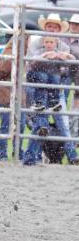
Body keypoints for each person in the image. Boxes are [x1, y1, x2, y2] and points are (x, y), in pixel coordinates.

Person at [23, 14, 79, 165]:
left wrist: (62, 60)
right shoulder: (35, 42)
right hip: (38, 87)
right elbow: (30, 65)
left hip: (54, 88)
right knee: (41, 122)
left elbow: (66, 71)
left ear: (59, 29)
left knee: (60, 124)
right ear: (45, 27)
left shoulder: (64, 47)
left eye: (55, 27)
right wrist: (45, 56)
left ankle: (72, 156)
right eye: (49, 26)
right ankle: (32, 157)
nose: (52, 29)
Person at [0, 35, 29, 161]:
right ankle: (9, 153)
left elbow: (0, 72)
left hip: (10, 91)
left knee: (11, 124)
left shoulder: (12, 52)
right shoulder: (13, 53)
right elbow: (3, 70)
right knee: (15, 123)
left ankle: (4, 153)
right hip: (8, 92)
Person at [64, 13, 79, 137]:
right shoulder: (62, 37)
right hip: (64, 73)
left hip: (77, 74)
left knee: (76, 104)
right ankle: (66, 131)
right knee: (62, 98)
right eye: (72, 23)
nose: (73, 26)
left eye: (76, 24)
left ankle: (73, 134)